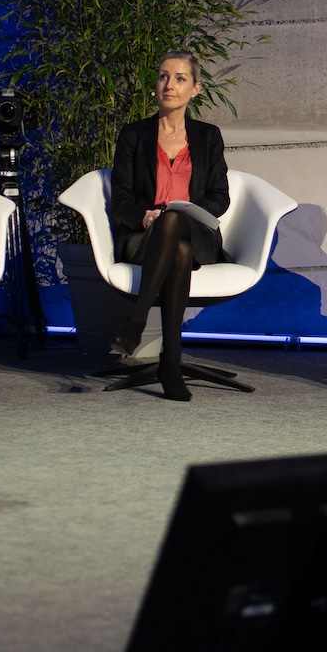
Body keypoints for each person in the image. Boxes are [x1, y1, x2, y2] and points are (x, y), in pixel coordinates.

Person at [108, 50, 231, 402]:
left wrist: (191, 211)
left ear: (195, 88)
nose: (169, 85)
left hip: (198, 232)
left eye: (180, 78)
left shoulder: (208, 136)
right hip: (146, 237)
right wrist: (143, 216)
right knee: (177, 247)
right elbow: (121, 199)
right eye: (163, 76)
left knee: (176, 220)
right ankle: (171, 364)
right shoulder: (134, 135)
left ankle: (136, 321)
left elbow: (220, 196)